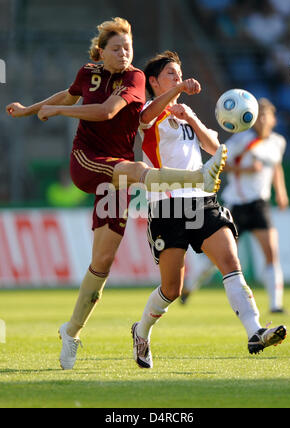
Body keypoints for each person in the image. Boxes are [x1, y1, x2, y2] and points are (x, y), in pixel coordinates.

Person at [6, 18, 226, 370]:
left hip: (117, 172)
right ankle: (197, 177)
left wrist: (58, 110)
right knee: (136, 172)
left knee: (102, 263)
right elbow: (69, 93)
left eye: (129, 48)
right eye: (117, 48)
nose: (125, 54)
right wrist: (30, 109)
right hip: (88, 161)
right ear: (100, 52)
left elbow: (107, 110)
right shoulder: (87, 72)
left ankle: (71, 331)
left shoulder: (135, 78)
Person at [131, 51, 286, 369]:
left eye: (179, 73)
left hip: (202, 199)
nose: (177, 77)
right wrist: (178, 91)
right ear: (154, 81)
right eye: (171, 74)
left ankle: (254, 331)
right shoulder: (149, 111)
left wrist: (191, 117)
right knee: (171, 289)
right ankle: (142, 330)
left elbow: (216, 150)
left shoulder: (183, 112)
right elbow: (144, 120)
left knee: (230, 261)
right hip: (167, 206)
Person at [181, 98, 289, 314]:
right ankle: (190, 287)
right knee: (219, 257)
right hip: (236, 205)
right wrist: (245, 170)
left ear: (273, 120)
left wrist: (282, 192)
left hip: (260, 204)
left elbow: (276, 167)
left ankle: (275, 305)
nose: (262, 120)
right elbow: (219, 161)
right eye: (258, 116)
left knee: (271, 253)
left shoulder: (278, 142)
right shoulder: (242, 140)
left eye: (266, 116)